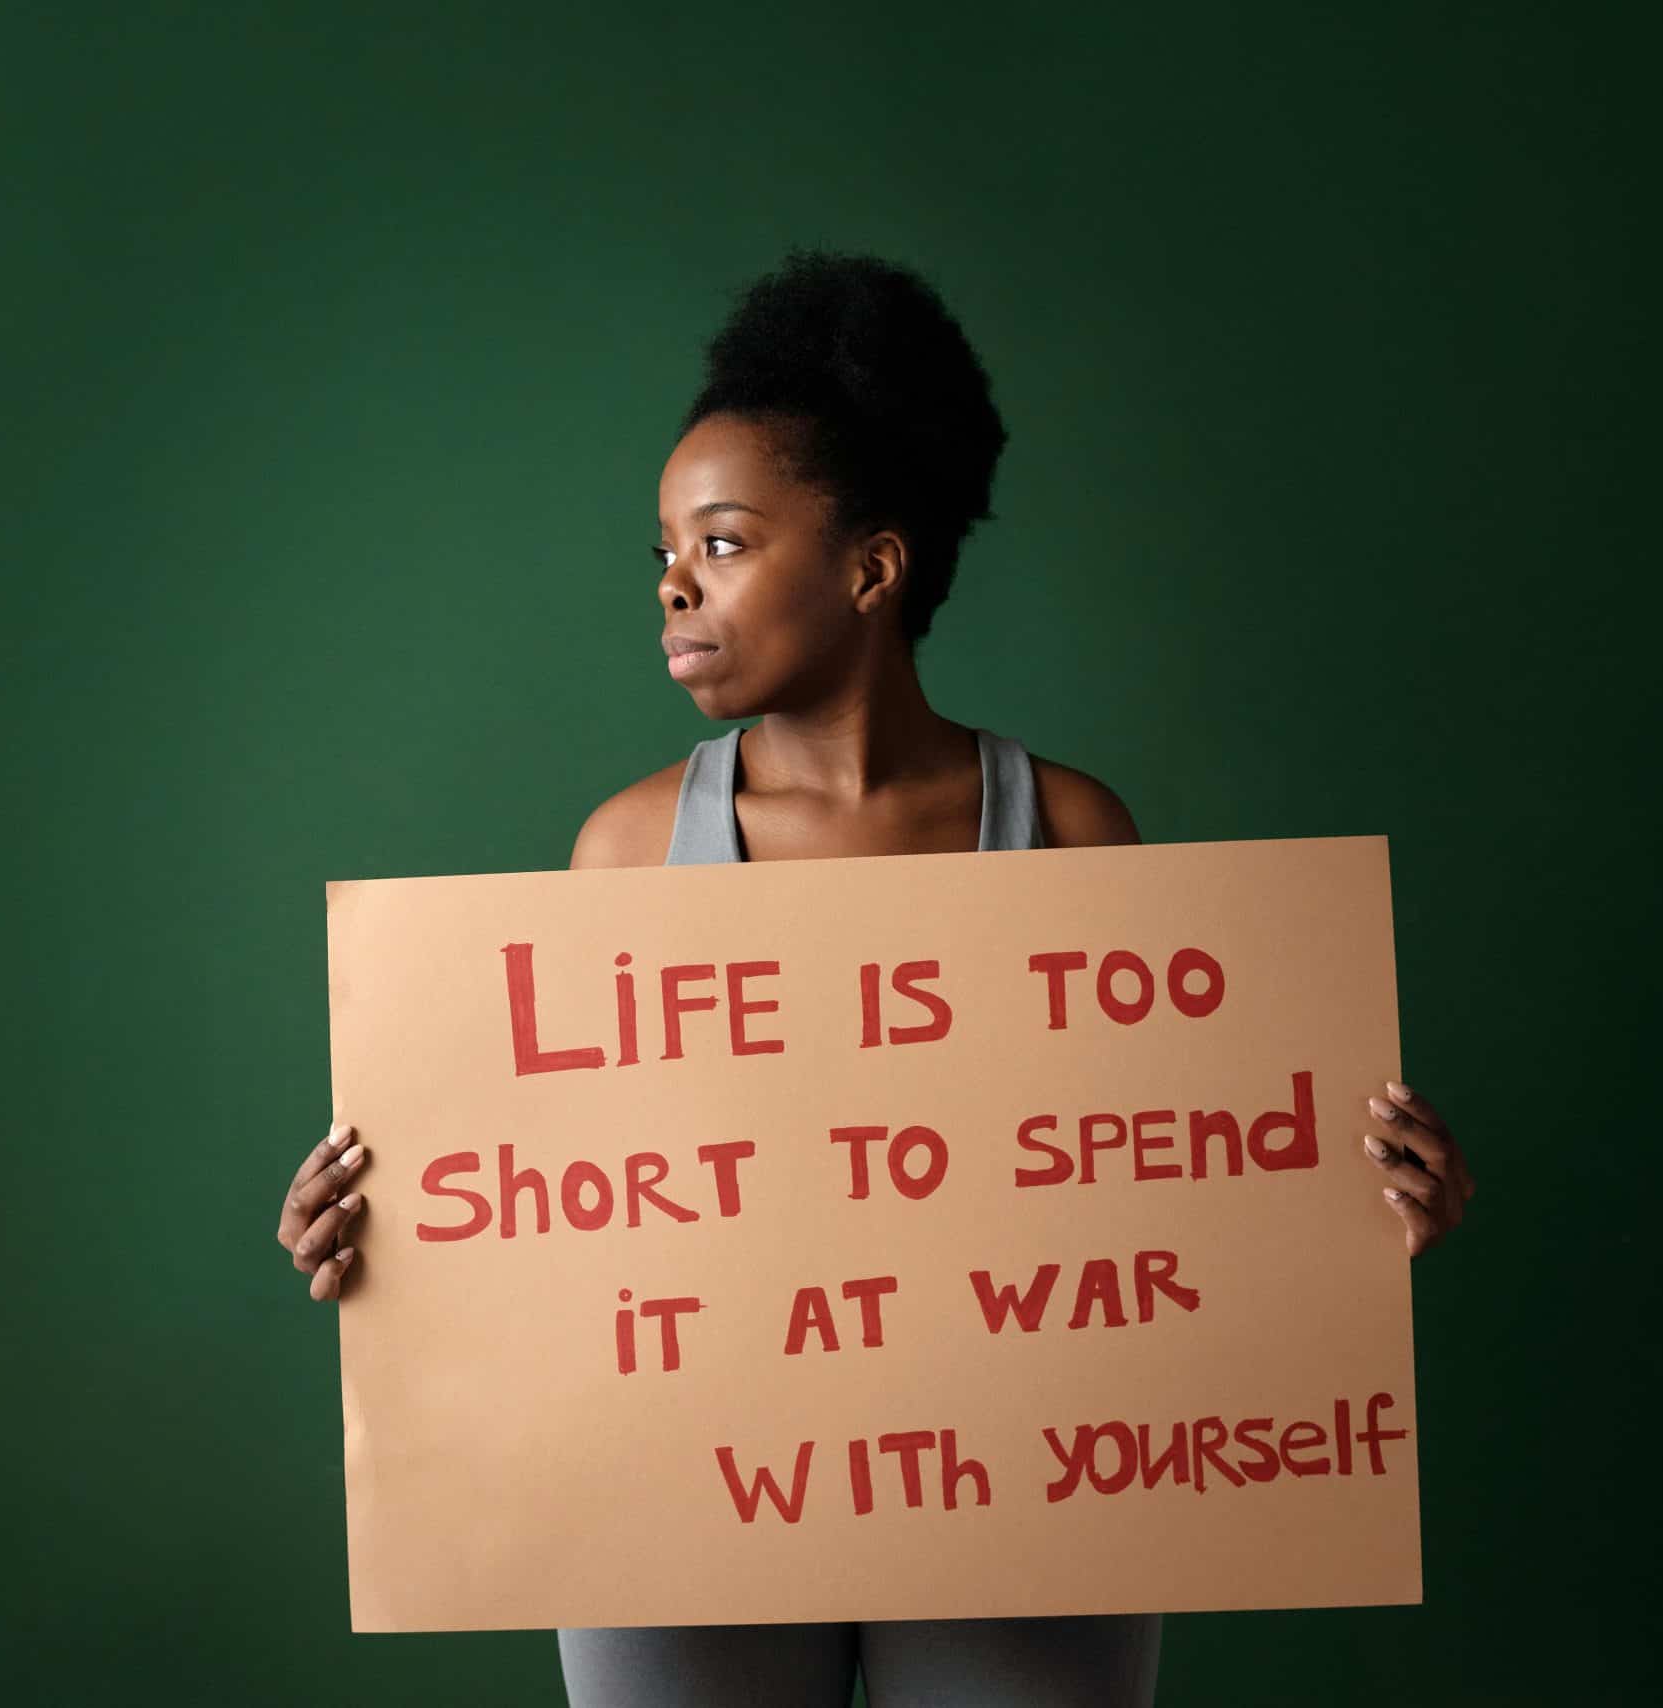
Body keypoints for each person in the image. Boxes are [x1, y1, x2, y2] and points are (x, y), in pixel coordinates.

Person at [273, 249, 1478, 1707]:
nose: (670, 580)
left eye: (722, 541)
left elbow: (1167, 1189)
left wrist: (1347, 1215)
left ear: (870, 566)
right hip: (675, 1496)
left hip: (1026, 1490)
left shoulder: (1073, 834)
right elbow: (566, 1208)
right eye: (662, 545)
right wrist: (393, 1247)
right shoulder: (628, 849)